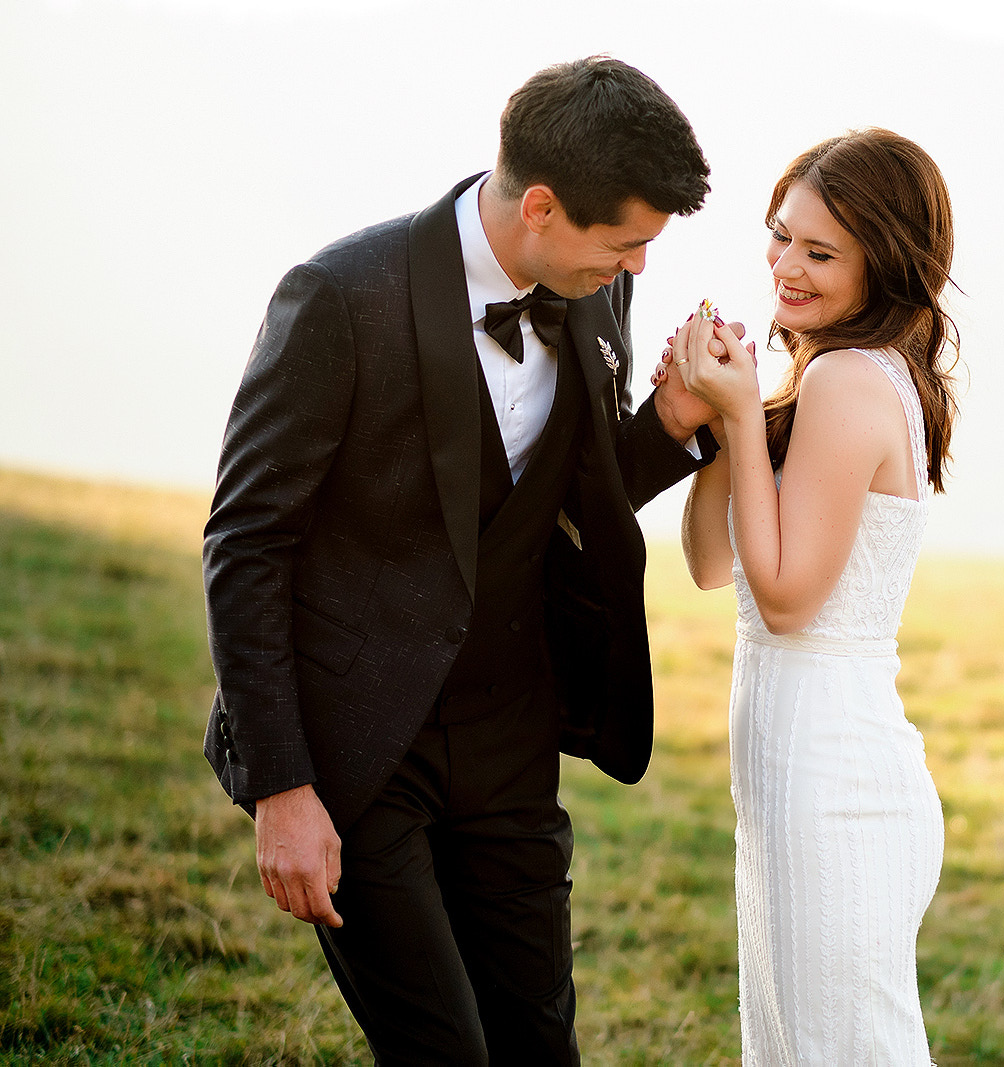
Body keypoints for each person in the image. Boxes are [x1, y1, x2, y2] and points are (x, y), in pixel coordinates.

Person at [202, 57, 730, 1065]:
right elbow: (245, 541)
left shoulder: (590, 293)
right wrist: (282, 787)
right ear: (540, 205)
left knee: (541, 1046)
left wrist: (670, 423)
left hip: (511, 742)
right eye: (626, 243)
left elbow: (574, 489)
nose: (638, 270)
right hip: (359, 746)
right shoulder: (338, 295)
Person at [665, 128, 959, 1065]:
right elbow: (715, 562)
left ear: (888, 263)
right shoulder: (824, 374)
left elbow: (788, 602)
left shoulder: (844, 380)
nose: (785, 266)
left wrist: (751, 415)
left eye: (820, 251)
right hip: (793, 766)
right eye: (779, 235)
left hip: (831, 772)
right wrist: (724, 422)